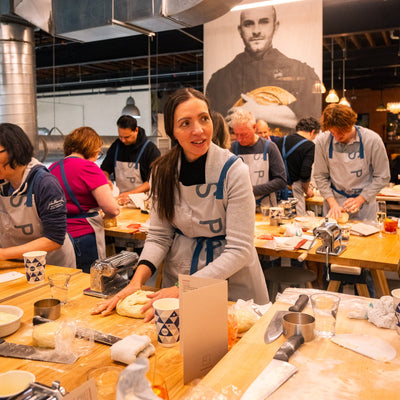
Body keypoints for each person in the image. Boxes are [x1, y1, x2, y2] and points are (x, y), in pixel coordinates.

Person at [92, 88, 269, 319]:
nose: (198, 130)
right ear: (172, 131)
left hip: (231, 282)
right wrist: (136, 281)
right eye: (185, 123)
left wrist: (184, 288)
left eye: (204, 119)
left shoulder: (234, 171)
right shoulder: (162, 171)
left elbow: (239, 249)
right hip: (179, 276)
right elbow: (158, 237)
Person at [206, 6, 321, 132]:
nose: (256, 31)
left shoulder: (304, 73)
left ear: (275, 26)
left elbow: (312, 124)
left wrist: (259, 112)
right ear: (240, 30)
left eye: (264, 22)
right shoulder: (218, 81)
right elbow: (215, 131)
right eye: (248, 24)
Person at [0, 123, 76, 267]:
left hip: (51, 266)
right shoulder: (3, 182)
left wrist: (4, 254)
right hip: (15, 265)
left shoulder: (45, 183)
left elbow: (54, 239)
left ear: (13, 150)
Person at [50, 127, 120, 273]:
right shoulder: (89, 168)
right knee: (89, 284)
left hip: (56, 237)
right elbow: (112, 209)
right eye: (98, 151)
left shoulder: (52, 167)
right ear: (92, 148)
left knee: (67, 283)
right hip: (84, 237)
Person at [313, 104, 390, 221]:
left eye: (341, 133)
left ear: (350, 125)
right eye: (333, 133)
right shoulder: (322, 141)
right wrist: (333, 204)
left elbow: (382, 176)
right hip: (334, 202)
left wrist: (361, 199)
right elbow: (320, 176)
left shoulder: (372, 140)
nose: (337, 137)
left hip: (365, 205)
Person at [228, 108, 286, 208]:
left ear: (254, 128)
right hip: (239, 206)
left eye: (244, 134)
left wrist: (252, 189)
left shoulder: (269, 147)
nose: (240, 139)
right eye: (236, 134)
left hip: (265, 207)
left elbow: (281, 181)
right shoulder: (232, 148)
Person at [100, 115, 161, 205]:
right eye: (120, 137)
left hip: (143, 201)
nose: (123, 140)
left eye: (127, 137)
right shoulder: (116, 146)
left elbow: (153, 181)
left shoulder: (150, 149)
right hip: (121, 199)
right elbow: (105, 169)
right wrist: (105, 181)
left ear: (136, 130)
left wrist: (130, 194)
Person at [275, 117, 321, 215]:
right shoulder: (310, 146)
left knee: (277, 221)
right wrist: (307, 190)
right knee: (295, 223)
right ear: (313, 132)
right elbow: (305, 173)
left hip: (277, 191)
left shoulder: (280, 141)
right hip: (295, 194)